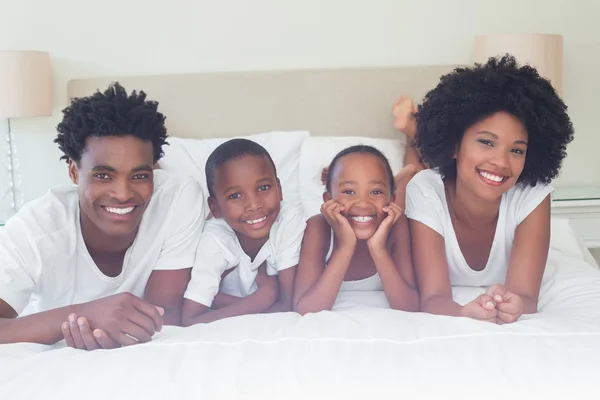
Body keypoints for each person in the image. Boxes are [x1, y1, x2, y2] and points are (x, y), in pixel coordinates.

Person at [0, 83, 206, 349]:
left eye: (140, 176)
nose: (122, 193)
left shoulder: (178, 199)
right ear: (74, 172)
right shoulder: (36, 228)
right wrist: (80, 315)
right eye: (103, 176)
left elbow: (163, 317)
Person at [404, 55, 574, 324]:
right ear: (454, 144)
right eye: (486, 142)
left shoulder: (531, 195)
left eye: (516, 150)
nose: (501, 163)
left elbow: (525, 297)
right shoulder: (426, 191)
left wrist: (511, 305)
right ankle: (406, 134)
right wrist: (464, 312)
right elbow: (433, 298)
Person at [181, 139, 306, 325]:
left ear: (279, 190)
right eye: (235, 196)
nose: (254, 205)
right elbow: (190, 319)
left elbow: (289, 305)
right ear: (215, 207)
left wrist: (222, 302)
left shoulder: (289, 221)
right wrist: (264, 297)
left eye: (263, 188)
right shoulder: (215, 238)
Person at [293, 145, 419, 314]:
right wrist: (346, 245)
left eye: (375, 191)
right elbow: (307, 309)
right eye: (349, 191)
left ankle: (399, 180)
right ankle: (396, 180)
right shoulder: (318, 227)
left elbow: (409, 306)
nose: (363, 202)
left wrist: (378, 249)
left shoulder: (397, 226)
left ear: (391, 200)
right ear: (327, 200)